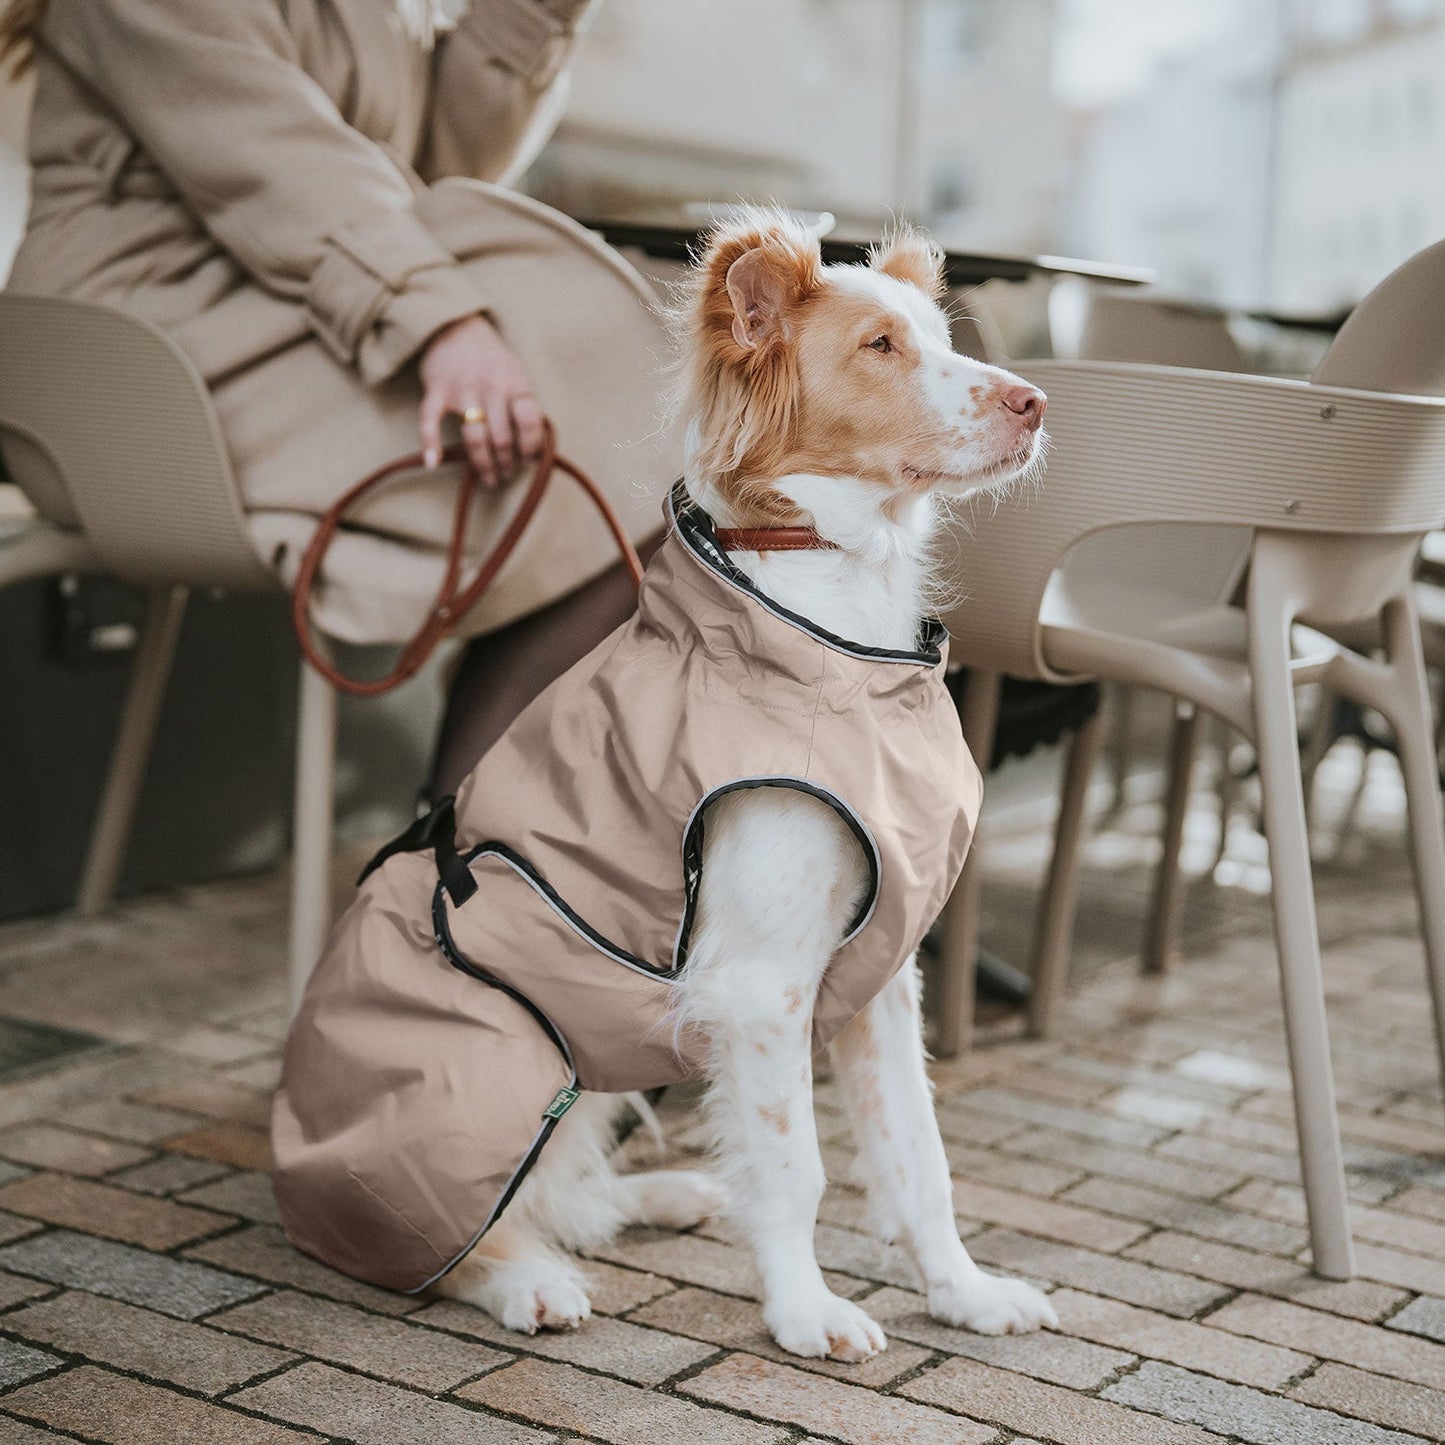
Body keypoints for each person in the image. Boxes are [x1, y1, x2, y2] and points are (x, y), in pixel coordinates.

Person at [1, 0, 679, 795]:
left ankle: (472, 849)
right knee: (592, 462)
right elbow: (270, 158)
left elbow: (437, 168)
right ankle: (460, 856)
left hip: (291, 311)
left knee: (638, 467)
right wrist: (440, 324)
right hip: (142, 348)